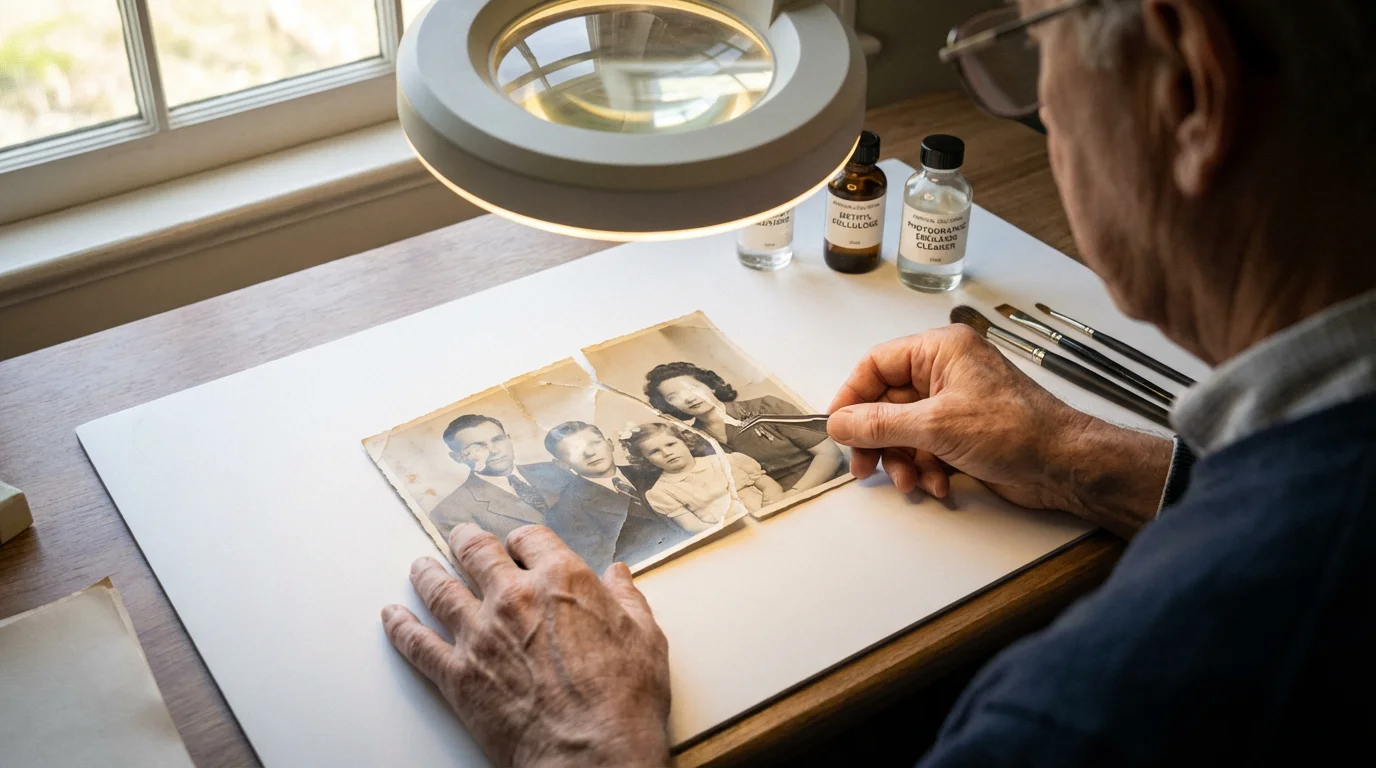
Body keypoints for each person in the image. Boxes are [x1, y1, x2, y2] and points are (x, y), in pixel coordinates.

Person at [380, 1, 1376, 765]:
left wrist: (590, 747)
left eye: (1034, 51)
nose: (1039, 107)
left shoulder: (1092, 709)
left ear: (1187, 89)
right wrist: (1090, 462)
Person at [428, 414, 619, 572]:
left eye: (498, 439)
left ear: (509, 440)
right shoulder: (450, 512)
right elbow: (496, 572)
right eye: (477, 447)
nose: (493, 451)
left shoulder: (555, 470)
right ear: (457, 457)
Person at [644, 361, 844, 493]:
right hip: (771, 507)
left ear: (710, 386)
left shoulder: (766, 406)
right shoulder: (694, 442)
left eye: (692, 388)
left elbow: (830, 454)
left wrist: (793, 496)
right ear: (669, 406)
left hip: (831, 485)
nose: (687, 398)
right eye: (673, 397)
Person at [543, 420, 691, 568]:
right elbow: (605, 569)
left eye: (594, 443)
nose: (590, 453)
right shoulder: (566, 512)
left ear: (609, 444)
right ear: (561, 464)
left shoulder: (652, 470)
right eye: (573, 451)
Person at [622, 422, 783, 530]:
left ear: (684, 441)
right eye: (654, 451)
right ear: (645, 459)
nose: (666, 453)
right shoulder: (661, 492)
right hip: (735, 532)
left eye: (671, 444)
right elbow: (694, 527)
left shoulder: (726, 461)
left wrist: (769, 507)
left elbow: (770, 485)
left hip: (774, 515)